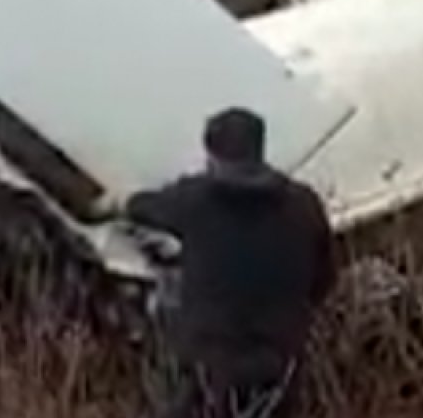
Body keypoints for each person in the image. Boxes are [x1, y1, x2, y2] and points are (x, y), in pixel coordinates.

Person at [111, 107, 338, 418]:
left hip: (213, 365)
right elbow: (324, 280)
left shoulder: (196, 200)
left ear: (212, 156)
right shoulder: (303, 205)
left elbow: (140, 207)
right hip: (280, 361)